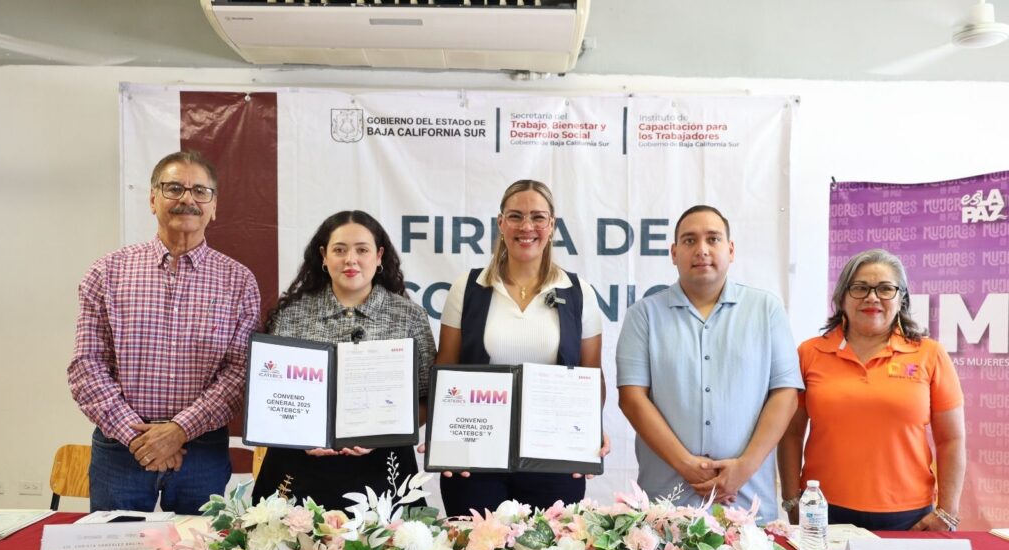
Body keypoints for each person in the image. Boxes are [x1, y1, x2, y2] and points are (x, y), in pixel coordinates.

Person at [68, 150, 260, 514]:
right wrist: (138, 437)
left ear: (214, 206)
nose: (188, 199)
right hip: (121, 448)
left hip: (201, 451)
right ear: (152, 199)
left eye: (200, 191)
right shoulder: (107, 273)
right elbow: (86, 366)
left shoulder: (238, 282)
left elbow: (239, 373)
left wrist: (179, 431)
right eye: (174, 188)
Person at [616, 205, 802, 521]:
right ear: (674, 253)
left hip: (747, 503)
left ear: (731, 250)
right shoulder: (643, 315)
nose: (701, 249)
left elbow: (786, 394)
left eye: (713, 239)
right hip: (666, 504)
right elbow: (632, 399)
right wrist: (686, 465)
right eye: (689, 240)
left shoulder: (766, 309)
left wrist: (744, 468)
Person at [435, 179, 609, 517]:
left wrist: (589, 433)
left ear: (552, 225)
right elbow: (446, 369)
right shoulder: (468, 287)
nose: (526, 227)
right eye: (515, 216)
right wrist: (445, 442)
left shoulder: (578, 292)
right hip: (476, 459)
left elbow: (592, 378)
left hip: (553, 458)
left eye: (538, 217)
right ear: (501, 223)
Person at [251, 210, 437, 511]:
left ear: (379, 256)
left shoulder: (409, 316)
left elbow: (427, 398)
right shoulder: (291, 315)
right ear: (324, 256)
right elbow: (269, 397)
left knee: (388, 544)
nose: (351, 260)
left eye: (362, 250)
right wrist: (301, 435)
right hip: (300, 464)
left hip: (383, 465)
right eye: (339, 250)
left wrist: (384, 431)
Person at [778, 249, 965, 531]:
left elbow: (951, 439)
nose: (872, 297)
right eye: (860, 288)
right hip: (824, 511)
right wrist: (791, 499)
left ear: (902, 298)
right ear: (841, 297)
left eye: (885, 289)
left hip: (909, 516)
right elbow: (791, 433)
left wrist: (947, 511)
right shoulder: (810, 353)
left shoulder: (930, 354)